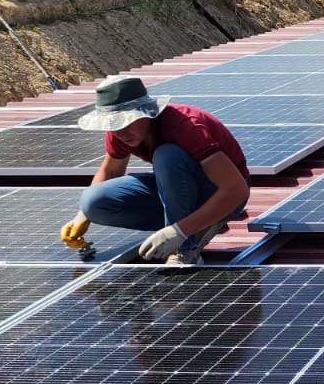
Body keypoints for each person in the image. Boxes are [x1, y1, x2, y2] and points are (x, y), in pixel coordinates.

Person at [59, 74, 249, 267]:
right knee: (93, 202)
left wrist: (179, 232)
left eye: (126, 121)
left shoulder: (184, 127)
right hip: (183, 190)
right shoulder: (119, 133)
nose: (121, 132)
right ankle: (196, 223)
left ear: (147, 112)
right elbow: (111, 171)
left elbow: (236, 190)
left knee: (167, 156)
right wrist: (83, 215)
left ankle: (185, 248)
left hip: (224, 194)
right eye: (113, 125)